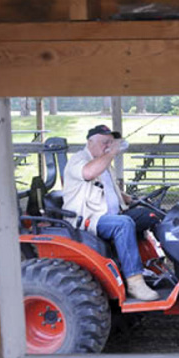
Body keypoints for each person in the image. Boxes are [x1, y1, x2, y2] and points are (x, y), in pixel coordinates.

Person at [62, 125, 160, 301]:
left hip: (112, 214)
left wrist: (132, 199)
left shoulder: (106, 164)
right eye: (104, 142)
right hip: (88, 219)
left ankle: (156, 266)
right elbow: (89, 173)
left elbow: (110, 189)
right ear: (90, 142)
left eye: (110, 142)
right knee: (123, 224)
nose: (108, 145)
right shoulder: (78, 160)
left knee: (150, 214)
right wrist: (112, 152)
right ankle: (135, 281)